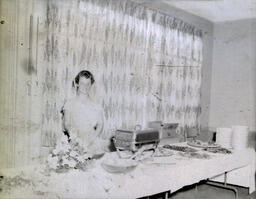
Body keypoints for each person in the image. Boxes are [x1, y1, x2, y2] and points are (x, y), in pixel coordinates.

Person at [60, 70, 104, 156]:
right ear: (77, 84)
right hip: (74, 141)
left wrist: (91, 140)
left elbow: (100, 125)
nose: (85, 86)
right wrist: (75, 139)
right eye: (82, 83)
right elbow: (66, 124)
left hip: (92, 142)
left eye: (88, 84)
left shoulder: (96, 105)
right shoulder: (69, 104)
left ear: (91, 84)